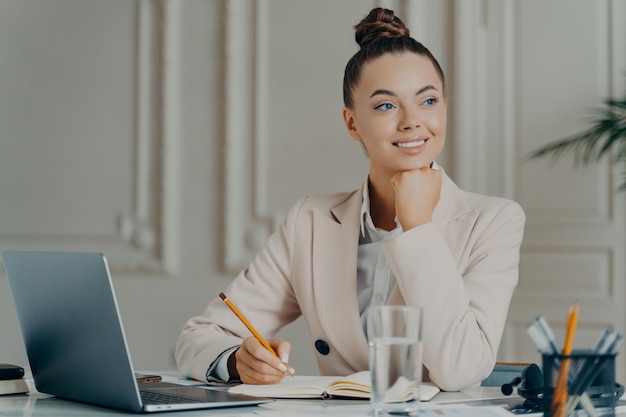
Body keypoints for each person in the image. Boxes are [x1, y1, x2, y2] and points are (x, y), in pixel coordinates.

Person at [175, 7, 525, 392]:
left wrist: (418, 226)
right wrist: (238, 360)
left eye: (428, 101)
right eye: (386, 105)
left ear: (444, 108)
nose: (412, 121)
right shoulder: (310, 220)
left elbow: (460, 369)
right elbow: (199, 335)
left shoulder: (493, 221)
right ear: (352, 123)